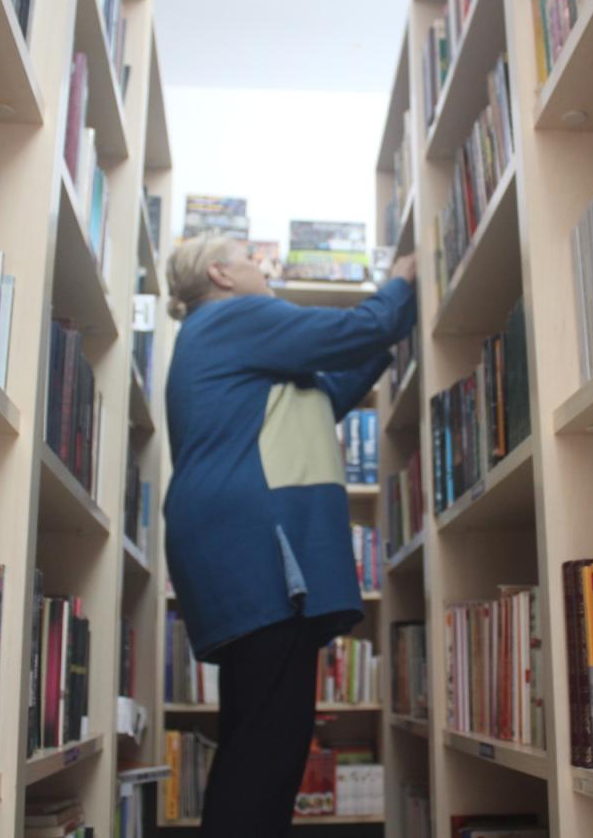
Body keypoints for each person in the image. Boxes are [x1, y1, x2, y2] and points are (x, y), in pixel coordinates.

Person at [162, 235, 417, 836]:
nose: (264, 267)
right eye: (251, 260)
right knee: (266, 750)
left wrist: (389, 329)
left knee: (260, 740)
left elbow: (325, 393)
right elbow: (348, 334)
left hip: (230, 549)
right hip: (251, 548)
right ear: (221, 274)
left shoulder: (225, 344)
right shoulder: (233, 316)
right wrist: (402, 283)